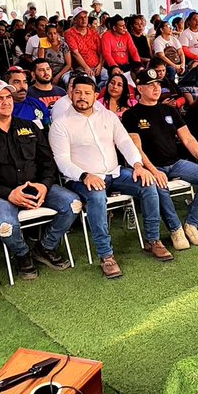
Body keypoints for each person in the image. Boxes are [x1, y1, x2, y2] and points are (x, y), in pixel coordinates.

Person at [50, 75, 168, 278]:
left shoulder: (108, 117)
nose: (82, 97)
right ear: (70, 93)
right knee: (97, 196)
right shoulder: (60, 124)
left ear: (96, 96)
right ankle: (106, 256)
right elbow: (61, 161)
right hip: (82, 178)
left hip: (114, 172)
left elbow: (125, 143)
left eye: (87, 93)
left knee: (148, 184)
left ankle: (152, 240)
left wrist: (138, 165)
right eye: (77, 92)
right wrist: (85, 175)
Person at [0, 79, 81, 279]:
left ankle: (44, 248)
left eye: (8, 97)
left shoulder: (30, 127)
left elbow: (47, 162)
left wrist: (44, 185)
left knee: (73, 204)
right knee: (4, 225)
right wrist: (9, 194)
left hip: (37, 187)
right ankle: (22, 254)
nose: (6, 102)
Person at [122, 68, 198, 250]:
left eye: (158, 84)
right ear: (140, 88)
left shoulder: (169, 110)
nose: (156, 88)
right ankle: (176, 229)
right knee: (159, 186)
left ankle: (192, 224)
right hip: (152, 166)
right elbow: (136, 148)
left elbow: (188, 138)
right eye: (150, 85)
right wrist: (153, 170)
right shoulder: (131, 115)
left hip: (175, 163)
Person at [65, 7, 104, 79]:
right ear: (75, 20)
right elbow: (75, 53)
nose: (84, 20)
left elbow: (101, 51)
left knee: (107, 76)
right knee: (91, 79)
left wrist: (100, 65)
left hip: (97, 66)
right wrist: (86, 68)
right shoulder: (69, 33)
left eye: (85, 17)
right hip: (81, 68)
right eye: (80, 18)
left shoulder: (93, 32)